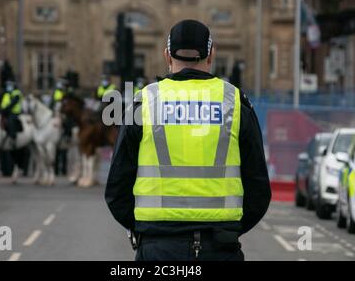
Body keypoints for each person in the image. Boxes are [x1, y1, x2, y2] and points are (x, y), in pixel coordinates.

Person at [105, 19, 271, 261]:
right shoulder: (234, 103)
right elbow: (258, 188)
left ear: (167, 55)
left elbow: (116, 188)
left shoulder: (144, 103)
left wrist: (147, 230)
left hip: (157, 248)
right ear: (212, 54)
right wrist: (226, 230)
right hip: (220, 248)